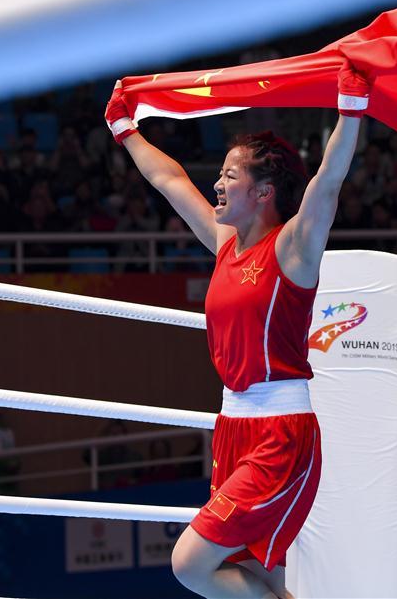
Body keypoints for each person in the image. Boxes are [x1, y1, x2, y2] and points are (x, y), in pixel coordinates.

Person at [105, 62, 370, 599]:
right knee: (262, 576)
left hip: (281, 433)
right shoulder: (226, 247)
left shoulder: (293, 249)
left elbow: (328, 183)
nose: (217, 184)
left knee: (190, 564)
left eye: (230, 175)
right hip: (232, 428)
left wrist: (350, 110)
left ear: (264, 191)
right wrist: (126, 129)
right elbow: (169, 179)